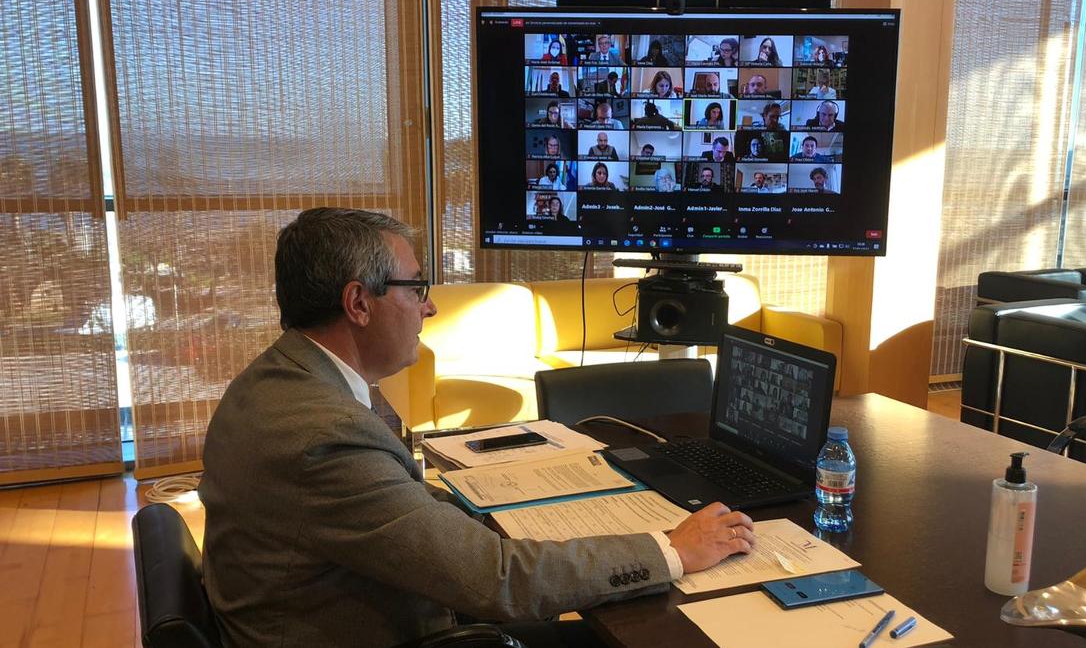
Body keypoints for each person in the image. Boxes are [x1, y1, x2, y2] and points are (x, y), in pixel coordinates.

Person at [199, 208, 757, 647]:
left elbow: (387, 516)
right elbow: (496, 583)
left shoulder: (275, 378)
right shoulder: (321, 436)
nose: (431, 307)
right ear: (358, 303)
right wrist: (673, 549)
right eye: (416, 288)